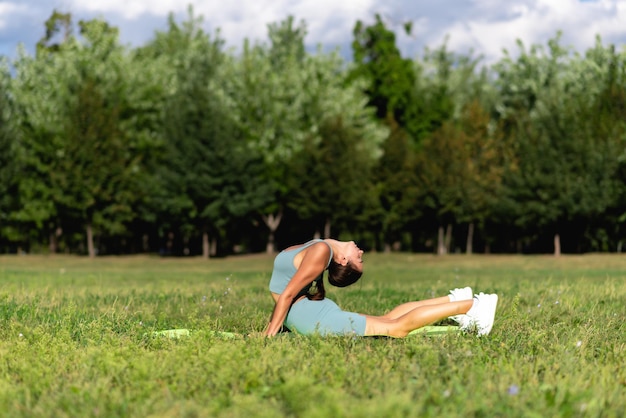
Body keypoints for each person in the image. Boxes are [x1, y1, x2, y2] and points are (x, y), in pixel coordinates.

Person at [265, 238, 498, 337]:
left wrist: (273, 331)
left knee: (393, 325)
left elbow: (285, 293)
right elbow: (286, 294)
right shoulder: (322, 248)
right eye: (360, 259)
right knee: (393, 325)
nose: (361, 252)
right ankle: (463, 303)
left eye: (360, 258)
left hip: (307, 315)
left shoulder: (320, 248)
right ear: (343, 261)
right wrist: (270, 332)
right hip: (308, 316)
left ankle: (463, 303)